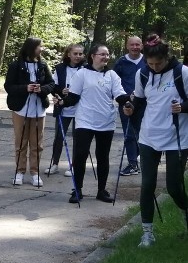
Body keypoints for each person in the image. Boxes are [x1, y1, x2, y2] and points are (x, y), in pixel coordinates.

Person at [124, 35, 188, 247]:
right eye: (150, 64)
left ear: (167, 58)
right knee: (147, 185)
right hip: (149, 136)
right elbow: (140, 100)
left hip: (177, 138)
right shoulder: (142, 73)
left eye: (158, 63)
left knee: (174, 187)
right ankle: (147, 233)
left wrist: (183, 108)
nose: (154, 67)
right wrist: (130, 108)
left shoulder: (182, 73)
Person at [60, 43, 131, 203]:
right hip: (85, 120)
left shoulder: (112, 75)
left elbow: (119, 95)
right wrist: (62, 102)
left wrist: (129, 99)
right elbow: (73, 97)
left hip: (106, 121)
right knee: (80, 155)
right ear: (93, 56)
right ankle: (77, 190)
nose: (106, 57)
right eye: (102, 54)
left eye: (107, 54)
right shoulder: (82, 74)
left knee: (103, 156)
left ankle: (102, 190)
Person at [5, 37, 55, 187]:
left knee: (37, 144)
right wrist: (25, 88)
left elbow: (51, 84)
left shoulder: (43, 65)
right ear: (31, 48)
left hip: (39, 109)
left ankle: (35, 172)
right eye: (40, 46)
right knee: (21, 142)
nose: (42, 49)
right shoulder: (15, 65)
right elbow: (9, 86)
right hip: (21, 109)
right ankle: (19, 171)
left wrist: (41, 89)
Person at [45, 43, 85, 176]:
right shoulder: (60, 68)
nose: (78, 56)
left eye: (80, 54)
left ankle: (74, 165)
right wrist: (61, 91)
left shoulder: (86, 69)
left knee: (78, 138)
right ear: (69, 54)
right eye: (75, 53)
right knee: (59, 137)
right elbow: (53, 87)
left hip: (80, 109)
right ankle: (55, 163)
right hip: (63, 107)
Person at [112, 35, 145, 175]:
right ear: (127, 46)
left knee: (143, 133)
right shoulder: (121, 62)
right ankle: (132, 164)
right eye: (132, 44)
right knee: (129, 134)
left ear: (142, 46)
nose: (135, 47)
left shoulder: (147, 61)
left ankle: (140, 157)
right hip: (126, 103)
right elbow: (114, 81)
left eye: (137, 44)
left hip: (145, 103)